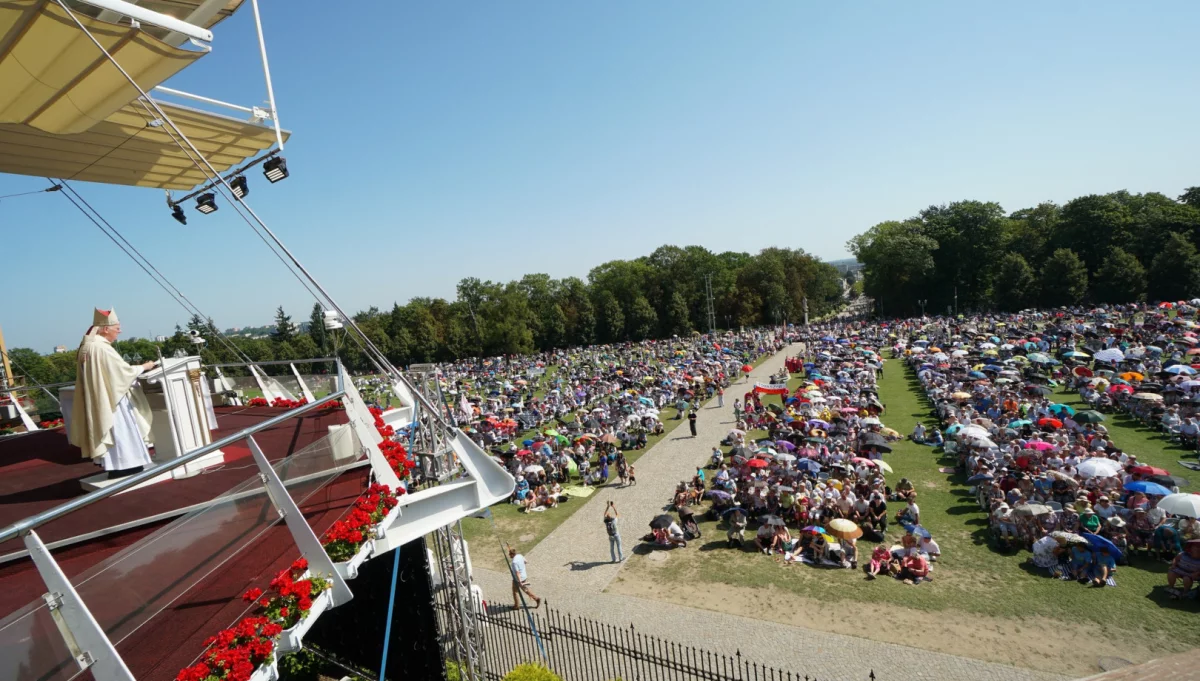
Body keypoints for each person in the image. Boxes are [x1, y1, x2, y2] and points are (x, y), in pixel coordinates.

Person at [69, 308, 157, 479]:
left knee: (114, 432)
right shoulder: (101, 348)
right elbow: (121, 373)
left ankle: (116, 466)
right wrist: (144, 367)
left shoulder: (87, 345)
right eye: (117, 328)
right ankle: (127, 466)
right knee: (121, 431)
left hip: (100, 397)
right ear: (105, 328)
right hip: (112, 401)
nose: (120, 331)